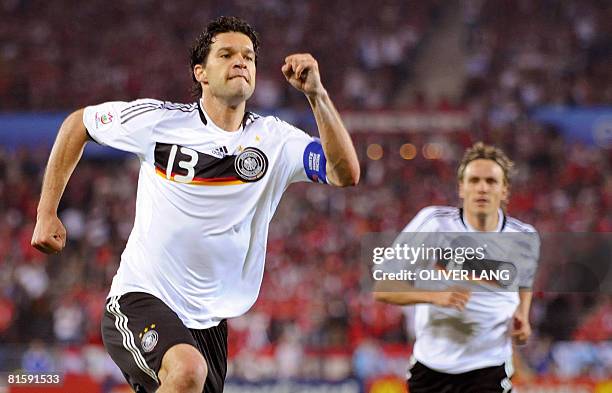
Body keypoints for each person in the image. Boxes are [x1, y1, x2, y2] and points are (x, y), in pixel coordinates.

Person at [31, 16, 359, 393]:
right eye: (227, 54)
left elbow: (344, 173)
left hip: (209, 324)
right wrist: (46, 212)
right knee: (187, 371)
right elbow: (79, 124)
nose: (241, 62)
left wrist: (317, 95)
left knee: (191, 372)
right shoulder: (160, 122)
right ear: (200, 72)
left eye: (249, 57)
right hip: (141, 297)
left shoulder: (275, 140)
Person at [373, 142, 539, 393]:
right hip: (432, 368)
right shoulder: (433, 225)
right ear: (461, 188)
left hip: (489, 367)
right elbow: (383, 287)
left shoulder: (525, 237)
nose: (482, 188)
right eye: (474, 180)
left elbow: (525, 280)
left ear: (505, 190)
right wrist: (434, 296)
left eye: (491, 181)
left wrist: (523, 316)